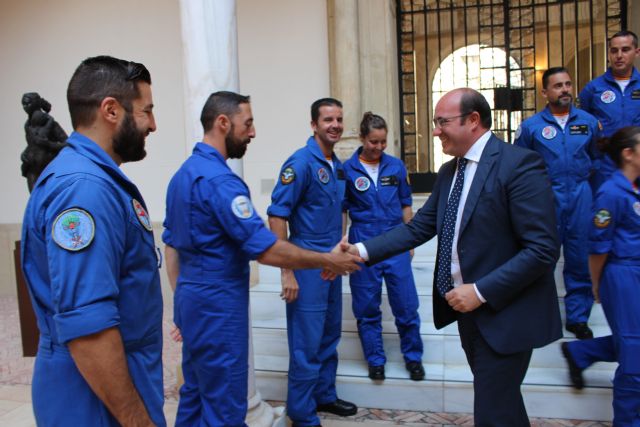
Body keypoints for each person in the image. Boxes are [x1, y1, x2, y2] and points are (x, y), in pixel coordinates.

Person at [341, 88, 562, 426]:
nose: (435, 130)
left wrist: (480, 291)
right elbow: (417, 229)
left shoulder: (518, 164)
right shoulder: (450, 172)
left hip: (505, 313)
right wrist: (360, 251)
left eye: (441, 122)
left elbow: (542, 249)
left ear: (473, 120)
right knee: (502, 404)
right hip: (468, 314)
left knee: (492, 412)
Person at [163, 91, 362, 427]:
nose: (253, 133)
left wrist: (182, 304)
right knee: (226, 404)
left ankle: (321, 395)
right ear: (223, 123)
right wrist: (324, 262)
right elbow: (265, 247)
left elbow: (171, 246)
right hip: (219, 306)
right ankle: (302, 409)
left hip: (194, 298)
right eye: (248, 123)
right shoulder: (223, 183)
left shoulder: (183, 174)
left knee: (196, 394)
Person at [21, 56, 165, 426]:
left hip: (107, 381)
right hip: (93, 396)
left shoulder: (93, 178)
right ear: (111, 110)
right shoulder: (84, 190)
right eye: (146, 111)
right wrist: (138, 421)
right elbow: (88, 328)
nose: (152, 124)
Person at [267, 98, 358, 427]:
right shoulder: (301, 163)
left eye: (339, 119)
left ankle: (324, 395)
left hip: (331, 264)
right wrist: (286, 272)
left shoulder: (338, 164)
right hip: (305, 264)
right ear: (314, 125)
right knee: (306, 342)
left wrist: (341, 250)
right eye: (327, 119)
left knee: (329, 335)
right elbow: (276, 217)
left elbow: (341, 209)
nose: (335, 124)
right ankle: (302, 413)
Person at [514, 67, 600, 339]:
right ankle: (541, 314)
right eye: (558, 86)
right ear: (545, 93)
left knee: (578, 258)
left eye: (568, 84)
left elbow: (597, 159)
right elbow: (520, 167)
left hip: (580, 196)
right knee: (543, 258)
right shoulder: (531, 127)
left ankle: (577, 318)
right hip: (547, 200)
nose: (565, 90)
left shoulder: (588, 122)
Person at [562, 126, 640, 426]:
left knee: (633, 344)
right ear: (628, 154)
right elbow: (597, 250)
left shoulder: (633, 187)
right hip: (621, 275)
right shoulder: (610, 192)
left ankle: (580, 352)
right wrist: (597, 284)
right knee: (634, 359)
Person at [342, 112, 423, 381]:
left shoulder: (396, 166)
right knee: (366, 307)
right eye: (373, 141)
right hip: (362, 243)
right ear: (363, 138)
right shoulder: (347, 169)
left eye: (383, 142)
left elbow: (406, 203)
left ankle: (413, 358)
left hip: (395, 241)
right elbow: (342, 209)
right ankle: (375, 360)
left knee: (406, 305)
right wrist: (342, 242)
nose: (378, 147)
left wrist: (410, 239)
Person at [579, 30, 640, 189]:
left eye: (625, 49)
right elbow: (583, 126)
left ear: (636, 52)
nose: (619, 55)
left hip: (637, 164)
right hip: (605, 167)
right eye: (614, 50)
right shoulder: (593, 89)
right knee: (606, 212)